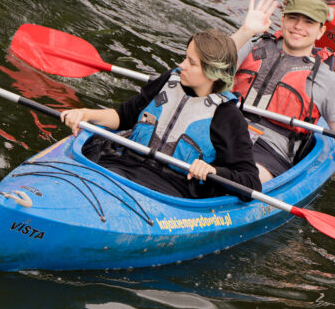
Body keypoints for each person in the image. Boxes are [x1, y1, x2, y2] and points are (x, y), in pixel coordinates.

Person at [60, 30, 261, 199]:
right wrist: (85, 114)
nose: (181, 65)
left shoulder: (227, 116)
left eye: (191, 62)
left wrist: (214, 171)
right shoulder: (169, 81)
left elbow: (251, 182)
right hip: (120, 168)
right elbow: (124, 116)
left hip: (168, 192)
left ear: (212, 73)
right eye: (185, 57)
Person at [230, 0, 335, 184]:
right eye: (293, 18)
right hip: (225, 128)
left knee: (240, 178)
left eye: (308, 22)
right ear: (283, 20)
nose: (298, 26)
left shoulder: (327, 81)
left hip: (268, 152)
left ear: (320, 31)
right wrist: (245, 31)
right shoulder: (253, 45)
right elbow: (208, 68)